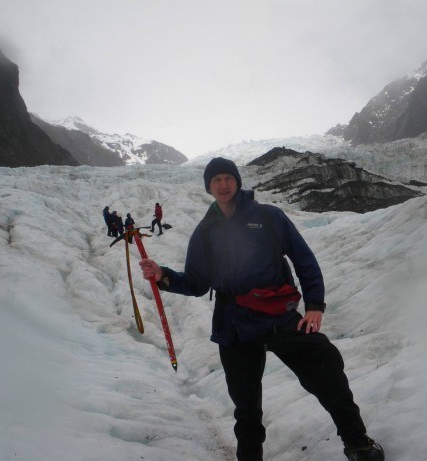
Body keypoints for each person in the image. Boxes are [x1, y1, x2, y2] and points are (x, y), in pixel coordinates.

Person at [139, 157, 385, 461]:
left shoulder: (268, 216)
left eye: (228, 178)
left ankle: (357, 443)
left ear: (238, 182)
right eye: (216, 180)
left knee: (326, 368)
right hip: (234, 325)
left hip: (278, 315)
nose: (223, 185)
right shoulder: (205, 232)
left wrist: (315, 305)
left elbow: (303, 258)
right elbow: (196, 282)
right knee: (246, 408)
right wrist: (163, 274)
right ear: (208, 187)